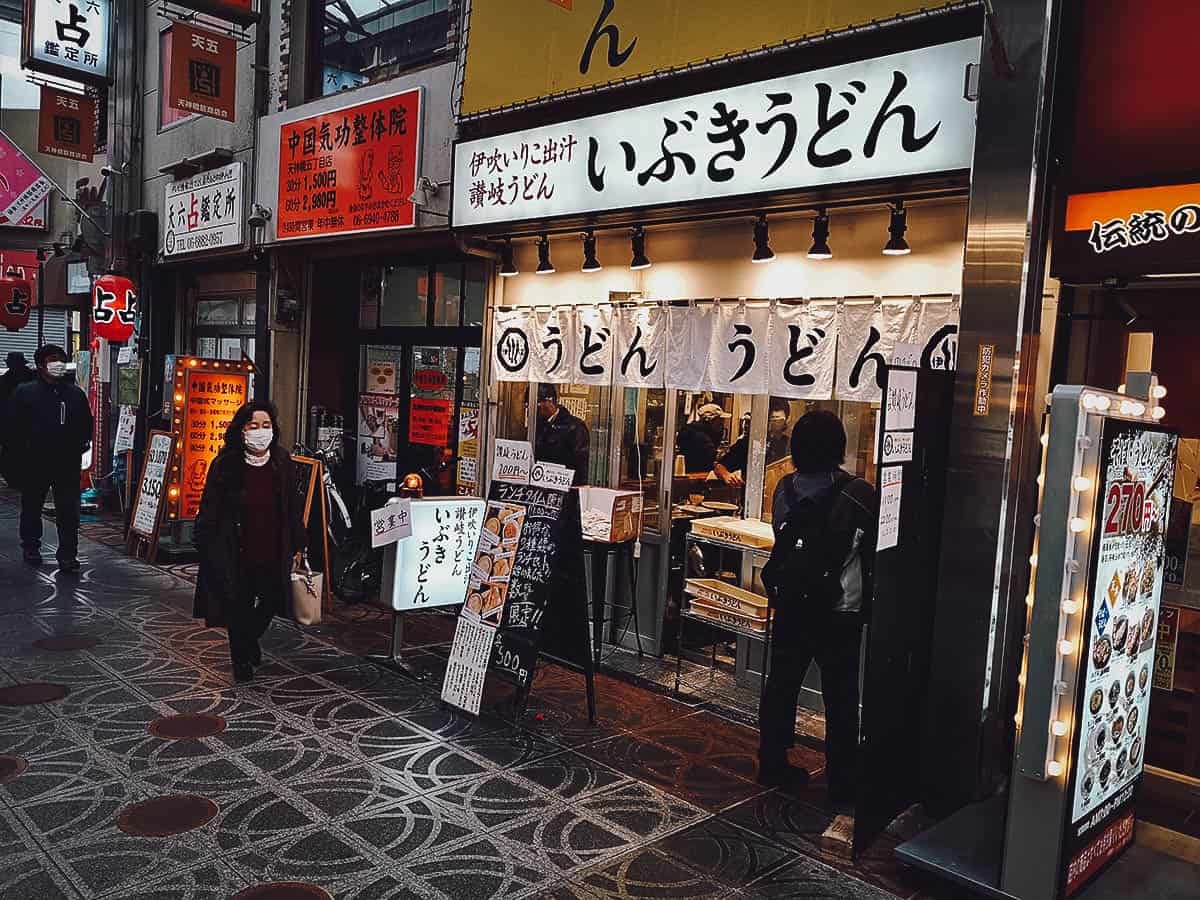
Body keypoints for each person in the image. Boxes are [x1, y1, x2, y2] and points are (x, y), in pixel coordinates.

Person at [759, 410, 876, 835]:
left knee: (782, 683)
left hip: (792, 605)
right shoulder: (860, 493)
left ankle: (771, 762)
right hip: (838, 610)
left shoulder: (783, 489)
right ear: (839, 446)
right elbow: (875, 548)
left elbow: (781, 536)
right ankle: (842, 782)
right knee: (841, 695)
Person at [193, 401, 306, 683]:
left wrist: (299, 543)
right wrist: (205, 544)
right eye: (253, 426)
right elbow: (210, 509)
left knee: (271, 600)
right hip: (234, 548)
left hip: (273, 546)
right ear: (241, 429)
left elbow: (293, 505)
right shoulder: (226, 464)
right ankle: (240, 658)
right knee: (237, 603)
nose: (260, 432)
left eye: (265, 425)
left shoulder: (281, 460)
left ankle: (249, 639)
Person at [5, 345, 92, 571]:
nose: (58, 364)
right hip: (35, 461)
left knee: (68, 511)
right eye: (53, 360)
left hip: (67, 462)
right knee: (32, 506)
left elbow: (86, 424)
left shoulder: (74, 394)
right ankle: (31, 546)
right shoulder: (25, 392)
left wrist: (80, 447)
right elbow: (11, 428)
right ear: (41, 365)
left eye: (61, 360)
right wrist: (17, 458)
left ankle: (68, 554)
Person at [714, 398, 792, 486]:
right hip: (751, 495)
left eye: (779, 421)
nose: (774, 425)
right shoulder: (748, 442)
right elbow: (719, 466)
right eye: (771, 420)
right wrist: (726, 475)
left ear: (787, 420)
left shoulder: (790, 445)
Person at [534, 383, 590, 484]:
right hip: (540, 483)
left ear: (549, 401)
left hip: (563, 485)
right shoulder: (536, 425)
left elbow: (581, 466)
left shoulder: (575, 426)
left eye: (538, 402)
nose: (534, 407)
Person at [675, 402, 730, 474]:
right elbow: (713, 457)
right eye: (719, 420)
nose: (721, 424)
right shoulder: (700, 437)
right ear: (711, 420)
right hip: (698, 476)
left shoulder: (692, 430)